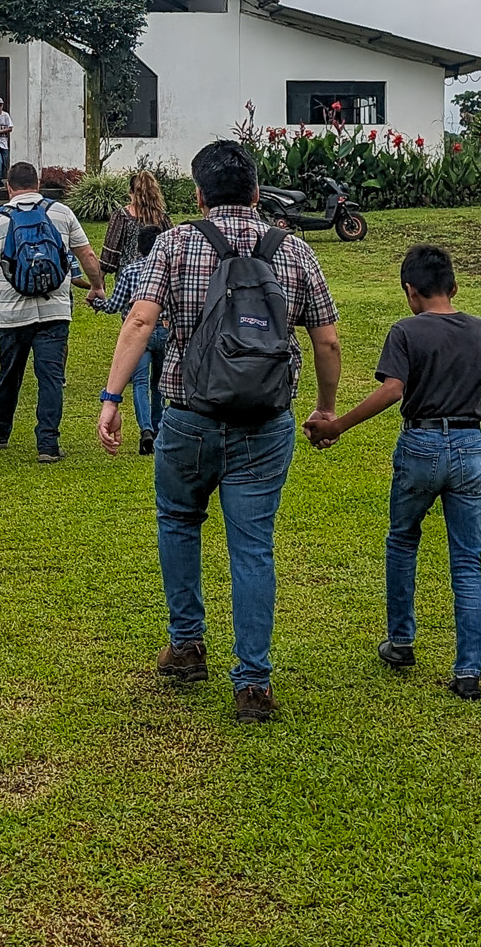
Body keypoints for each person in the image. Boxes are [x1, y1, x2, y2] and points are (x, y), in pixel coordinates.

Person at [96, 140, 342, 724]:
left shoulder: (178, 242)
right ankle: (253, 681)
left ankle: (186, 646)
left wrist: (111, 398)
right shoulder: (295, 251)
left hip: (188, 416)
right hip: (265, 421)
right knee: (253, 546)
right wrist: (326, 408)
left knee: (179, 521)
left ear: (200, 195)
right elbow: (326, 339)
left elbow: (140, 318)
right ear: (258, 193)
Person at [305, 244, 481, 701]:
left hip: (421, 444)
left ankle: (401, 641)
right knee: (468, 561)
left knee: (402, 539)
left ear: (410, 292)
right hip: (471, 445)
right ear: (454, 287)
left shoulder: (406, 331)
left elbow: (394, 390)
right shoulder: (480, 330)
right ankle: (469, 670)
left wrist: (337, 425)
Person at [0, 160, 103, 463]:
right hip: (56, 311)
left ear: (8, 187)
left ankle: (0, 431)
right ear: (38, 184)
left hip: (13, 314)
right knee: (51, 378)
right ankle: (48, 445)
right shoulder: (61, 212)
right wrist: (96, 287)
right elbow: (88, 254)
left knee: (9, 375)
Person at [88, 223, 169, 455]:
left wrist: (97, 303)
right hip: (164, 328)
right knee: (159, 385)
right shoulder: (169, 268)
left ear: (139, 247)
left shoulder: (131, 271)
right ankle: (158, 427)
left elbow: (115, 305)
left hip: (137, 334)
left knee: (140, 383)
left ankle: (145, 430)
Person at [100, 168, 170, 279]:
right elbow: (170, 247)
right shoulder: (162, 218)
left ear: (131, 192)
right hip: (155, 272)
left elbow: (111, 249)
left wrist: (100, 278)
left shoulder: (122, 216)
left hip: (127, 274)